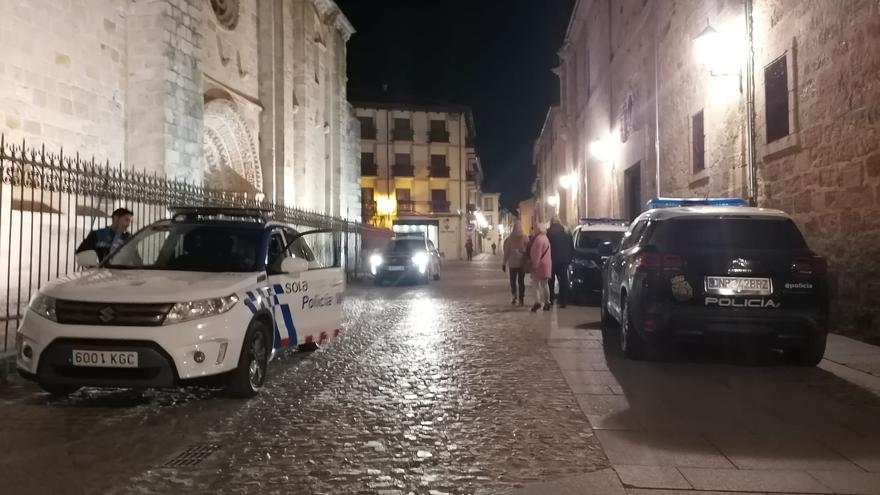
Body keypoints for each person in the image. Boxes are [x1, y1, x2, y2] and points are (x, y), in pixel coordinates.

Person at [547, 216, 573, 308]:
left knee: (551, 280)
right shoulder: (566, 231)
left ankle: (551, 299)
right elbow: (571, 245)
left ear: (551, 222)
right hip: (564, 260)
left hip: (552, 259)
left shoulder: (549, 232)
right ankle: (563, 301)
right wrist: (570, 258)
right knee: (564, 280)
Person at [501, 224, 528, 306]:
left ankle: (516, 296)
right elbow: (506, 252)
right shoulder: (523, 238)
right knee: (519, 281)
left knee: (515, 281)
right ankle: (519, 298)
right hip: (518, 263)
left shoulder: (511, 239)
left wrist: (504, 263)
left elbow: (506, 252)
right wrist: (504, 263)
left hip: (516, 263)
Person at [528, 223, 552, 312]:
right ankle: (547, 302)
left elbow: (537, 255)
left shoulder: (538, 240)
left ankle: (537, 302)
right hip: (546, 264)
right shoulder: (545, 238)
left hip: (539, 266)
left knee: (535, 285)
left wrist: (534, 266)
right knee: (545, 284)